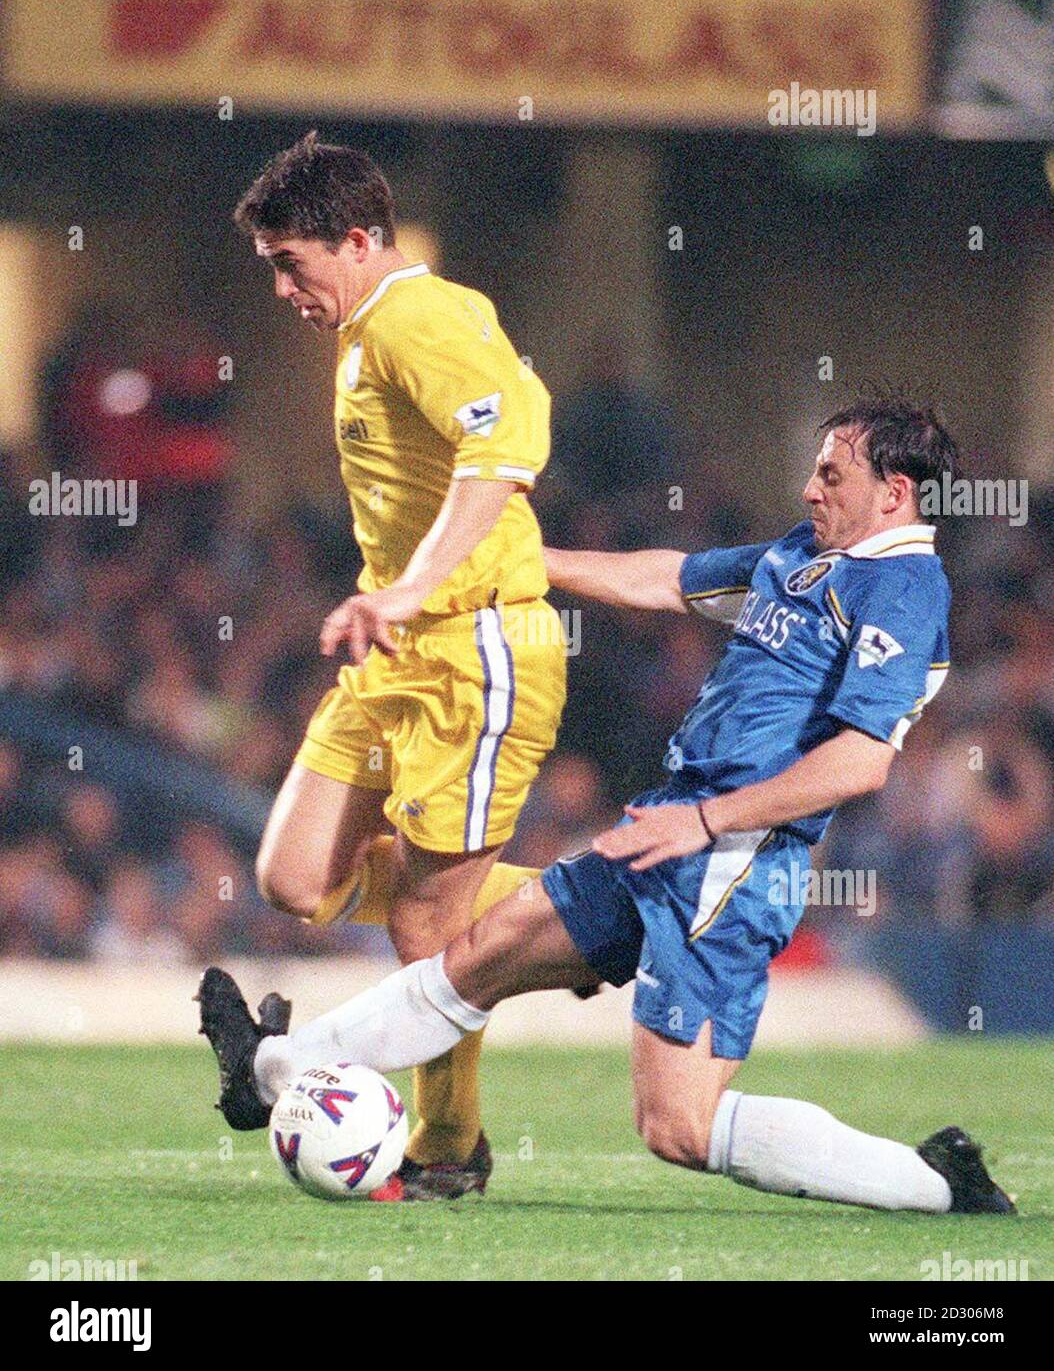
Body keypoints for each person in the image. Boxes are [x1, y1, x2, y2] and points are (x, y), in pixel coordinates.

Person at [200, 398, 1014, 1214]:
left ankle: (942, 1187)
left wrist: (703, 822)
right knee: (482, 952)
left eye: (831, 474)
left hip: (731, 864)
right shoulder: (806, 556)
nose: (809, 489)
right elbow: (667, 578)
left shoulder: (905, 589)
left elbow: (861, 761)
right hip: (666, 827)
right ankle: (268, 1072)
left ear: (894, 492)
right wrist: (521, 561)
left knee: (678, 1129)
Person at [228, 132, 568, 1198]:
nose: (284, 288)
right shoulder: (375, 328)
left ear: (359, 238)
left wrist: (411, 587)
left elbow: (507, 449)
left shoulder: (416, 318)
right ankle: (570, 909)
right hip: (398, 651)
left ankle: (448, 1145)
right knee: (295, 878)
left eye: (294, 263)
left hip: (474, 650)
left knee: (427, 920)